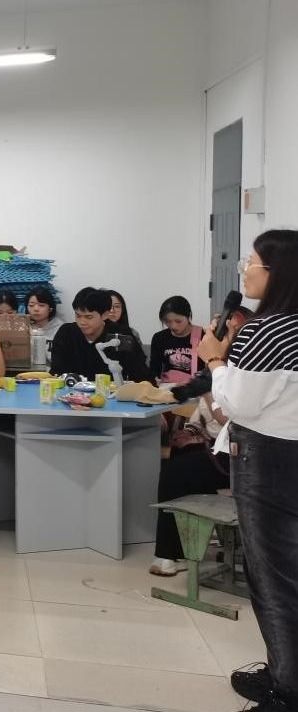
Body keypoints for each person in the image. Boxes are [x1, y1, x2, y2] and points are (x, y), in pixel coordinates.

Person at [197, 230, 298, 712]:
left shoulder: (268, 329)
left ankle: (286, 690)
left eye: (251, 262)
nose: (244, 270)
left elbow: (237, 403)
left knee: (272, 576)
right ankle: (284, 672)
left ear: (277, 272)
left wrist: (216, 358)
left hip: (267, 458)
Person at [149, 392, 228, 576]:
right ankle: (184, 546)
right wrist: (191, 432)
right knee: (178, 456)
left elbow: (227, 421)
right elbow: (204, 417)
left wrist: (208, 393)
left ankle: (170, 554)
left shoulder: (234, 382)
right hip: (219, 445)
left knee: (175, 472)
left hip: (239, 454)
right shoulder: (219, 379)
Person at [48, 288, 149, 383]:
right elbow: (57, 372)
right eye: (78, 316)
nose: (82, 322)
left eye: (89, 317)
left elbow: (140, 374)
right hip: (71, 391)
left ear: (105, 315)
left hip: (112, 392)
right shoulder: (66, 333)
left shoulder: (120, 335)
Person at [150, 296, 204, 385]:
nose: (173, 326)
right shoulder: (159, 338)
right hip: (167, 387)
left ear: (188, 316)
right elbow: (154, 369)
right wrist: (154, 379)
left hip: (195, 387)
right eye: (167, 321)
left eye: (178, 321)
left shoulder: (203, 336)